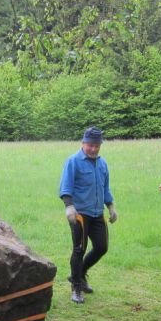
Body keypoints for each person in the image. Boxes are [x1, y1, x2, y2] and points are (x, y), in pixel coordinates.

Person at [59, 126, 117, 304]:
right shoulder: (73, 161)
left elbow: (105, 187)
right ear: (83, 143)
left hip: (97, 212)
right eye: (90, 145)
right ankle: (76, 287)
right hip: (80, 214)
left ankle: (79, 274)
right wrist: (69, 206)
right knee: (79, 249)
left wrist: (111, 206)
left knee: (102, 247)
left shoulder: (103, 163)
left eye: (97, 146)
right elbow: (66, 186)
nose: (93, 149)